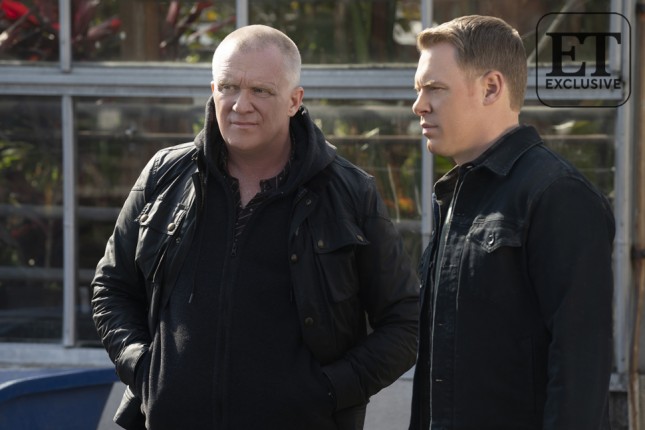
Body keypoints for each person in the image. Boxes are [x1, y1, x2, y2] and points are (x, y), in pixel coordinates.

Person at [91, 24, 419, 430]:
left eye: (261, 91)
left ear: (294, 101)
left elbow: (405, 322)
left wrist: (329, 391)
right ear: (213, 89)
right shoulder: (165, 175)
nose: (240, 105)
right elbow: (111, 287)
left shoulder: (350, 193)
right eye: (228, 87)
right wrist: (144, 370)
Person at [408, 15, 615, 430]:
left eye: (435, 88)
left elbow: (579, 371)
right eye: (418, 90)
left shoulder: (557, 194)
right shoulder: (455, 195)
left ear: (491, 87)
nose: (419, 105)